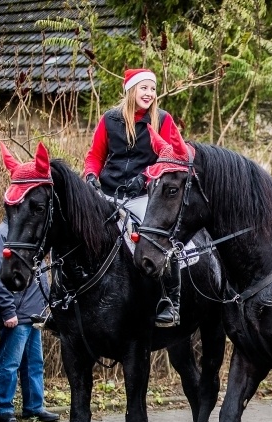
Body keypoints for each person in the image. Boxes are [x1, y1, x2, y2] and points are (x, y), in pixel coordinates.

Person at [83, 68, 184, 327]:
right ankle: (61, 301)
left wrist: (147, 176)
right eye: (144, 88)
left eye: (152, 89)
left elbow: (170, 159)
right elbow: (95, 155)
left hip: (144, 195)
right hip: (106, 193)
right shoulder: (109, 119)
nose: (149, 93)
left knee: (159, 238)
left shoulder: (163, 119)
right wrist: (90, 176)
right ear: (131, 90)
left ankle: (170, 302)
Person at [0, 218, 60, 422]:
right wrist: (8, 311)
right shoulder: (0, 236)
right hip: (16, 313)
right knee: (10, 363)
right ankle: (3, 408)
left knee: (34, 364)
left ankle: (34, 406)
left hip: (34, 313)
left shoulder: (29, 232)